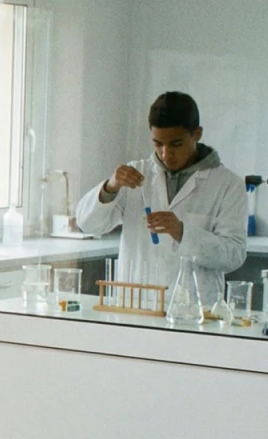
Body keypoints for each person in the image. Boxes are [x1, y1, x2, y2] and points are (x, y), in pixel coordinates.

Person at [76, 91, 248, 301]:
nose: (166, 154)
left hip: (195, 311)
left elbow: (234, 256)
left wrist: (182, 232)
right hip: (135, 305)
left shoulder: (228, 184)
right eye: (158, 144)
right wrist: (110, 187)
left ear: (197, 134)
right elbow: (88, 224)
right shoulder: (135, 175)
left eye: (176, 144)